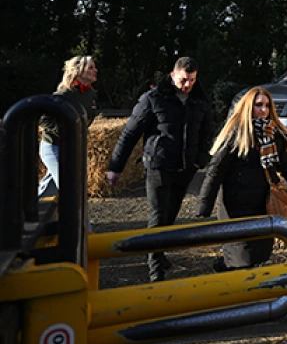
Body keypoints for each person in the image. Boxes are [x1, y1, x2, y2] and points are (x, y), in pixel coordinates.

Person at [106, 56, 215, 282]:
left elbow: (207, 133)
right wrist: (115, 167)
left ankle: (160, 252)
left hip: (186, 167)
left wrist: (200, 159)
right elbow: (130, 134)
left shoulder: (200, 100)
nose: (187, 85)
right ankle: (155, 268)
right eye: (184, 80)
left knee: (170, 214)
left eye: (192, 80)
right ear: (173, 75)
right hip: (158, 164)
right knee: (157, 215)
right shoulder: (153, 99)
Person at [196, 87, 287, 271]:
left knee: (259, 252)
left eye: (267, 106)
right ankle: (230, 275)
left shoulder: (274, 134)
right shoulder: (237, 134)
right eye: (258, 105)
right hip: (236, 205)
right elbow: (216, 170)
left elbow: (285, 165)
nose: (264, 110)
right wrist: (204, 207)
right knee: (241, 254)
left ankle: (233, 274)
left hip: (262, 203)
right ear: (248, 107)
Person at [38, 55, 100, 197]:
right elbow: (43, 119)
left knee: (49, 188)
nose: (95, 70)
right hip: (53, 147)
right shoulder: (64, 94)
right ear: (78, 71)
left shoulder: (90, 94)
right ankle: (83, 221)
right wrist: (66, 131)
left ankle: (24, 214)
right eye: (91, 67)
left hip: (71, 147)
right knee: (71, 189)